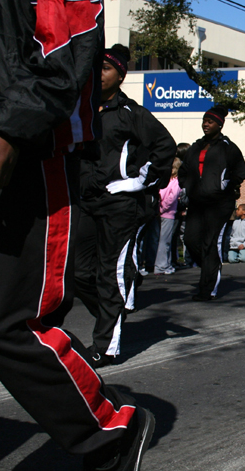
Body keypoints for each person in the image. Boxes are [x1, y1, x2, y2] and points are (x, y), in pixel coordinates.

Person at [0, 0, 156, 469]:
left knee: (4, 323)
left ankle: (111, 430)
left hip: (26, 156)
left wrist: (10, 126)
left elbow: (72, 36)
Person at [75, 44, 176, 367]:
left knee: (110, 273)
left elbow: (165, 146)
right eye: (95, 67)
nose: (97, 74)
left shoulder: (131, 113)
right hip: (86, 201)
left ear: (120, 76)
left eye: (105, 68)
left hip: (120, 204)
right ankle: (111, 312)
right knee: (75, 273)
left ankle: (106, 345)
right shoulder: (81, 108)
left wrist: (138, 182)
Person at [180, 106, 245, 301]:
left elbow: (241, 172)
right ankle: (211, 267)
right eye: (204, 121)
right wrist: (186, 186)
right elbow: (184, 170)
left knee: (209, 243)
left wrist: (228, 183)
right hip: (197, 202)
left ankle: (207, 288)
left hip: (219, 203)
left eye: (210, 121)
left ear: (220, 124)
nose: (205, 124)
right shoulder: (197, 146)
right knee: (191, 240)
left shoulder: (228, 147)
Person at [155, 158, 182, 274]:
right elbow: (172, 197)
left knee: (160, 240)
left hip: (160, 211)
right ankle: (161, 266)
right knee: (165, 241)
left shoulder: (164, 180)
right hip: (168, 213)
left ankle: (166, 264)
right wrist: (163, 208)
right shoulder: (176, 182)